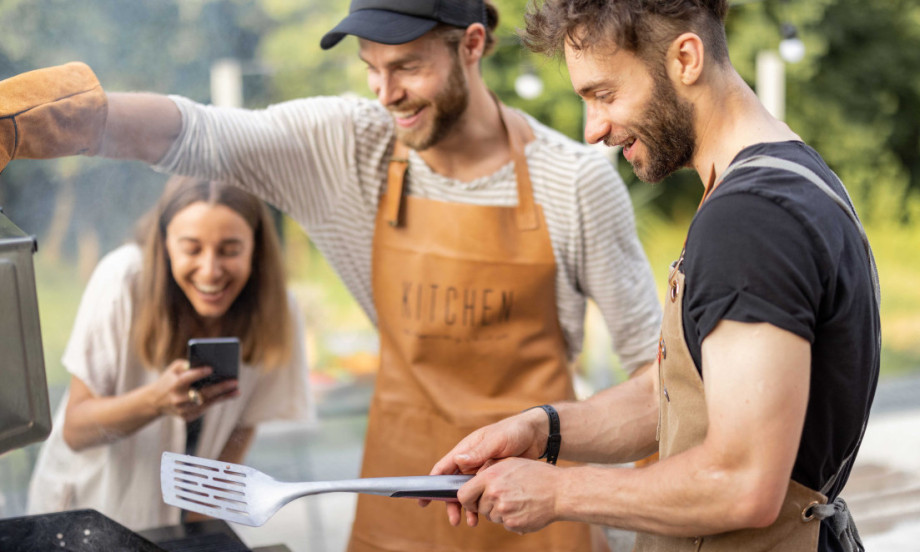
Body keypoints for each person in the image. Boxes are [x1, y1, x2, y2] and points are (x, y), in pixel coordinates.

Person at [0, 1, 662, 549]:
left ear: (471, 45)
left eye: (407, 66)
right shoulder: (349, 146)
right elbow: (199, 133)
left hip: (536, 512)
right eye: (371, 67)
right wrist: (76, 118)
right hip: (398, 504)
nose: (386, 92)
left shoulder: (574, 182)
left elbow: (652, 374)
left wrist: (648, 523)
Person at [428, 2, 880, 552]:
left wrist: (559, 492)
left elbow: (743, 483)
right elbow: (676, 394)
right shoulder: (786, 177)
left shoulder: (753, 220)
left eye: (604, 94)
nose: (593, 129)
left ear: (685, 59)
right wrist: (541, 430)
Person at [26, 175, 314, 531]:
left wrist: (197, 527)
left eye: (230, 250)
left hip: (177, 524)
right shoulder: (123, 279)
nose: (210, 270)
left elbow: (241, 430)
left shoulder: (277, 309)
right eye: (192, 249)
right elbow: (75, 430)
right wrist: (155, 402)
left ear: (255, 247)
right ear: (164, 244)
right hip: (87, 516)